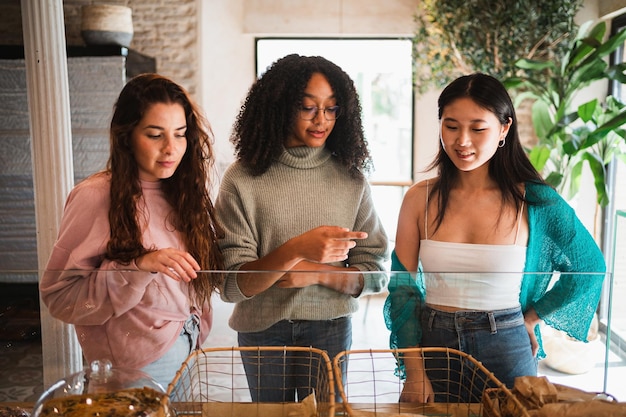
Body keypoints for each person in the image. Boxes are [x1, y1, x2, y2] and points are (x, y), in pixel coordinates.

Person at [384, 73, 606, 403]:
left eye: (477, 128)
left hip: (506, 343)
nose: (462, 140)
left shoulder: (534, 200)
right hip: (434, 345)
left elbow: (589, 266)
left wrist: (532, 317)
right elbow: (402, 291)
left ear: (504, 128)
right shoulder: (419, 198)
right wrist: (415, 373)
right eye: (451, 125)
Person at [215, 54, 389, 402]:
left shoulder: (352, 179)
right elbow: (230, 285)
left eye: (332, 109)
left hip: (330, 328)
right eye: (308, 107)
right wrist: (295, 251)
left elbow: (377, 274)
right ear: (279, 106)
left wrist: (317, 273)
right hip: (262, 330)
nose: (321, 120)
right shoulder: (242, 179)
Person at [40, 73, 225, 389]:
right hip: (134, 365)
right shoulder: (96, 196)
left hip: (189, 346)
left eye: (180, 134)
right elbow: (60, 297)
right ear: (126, 136)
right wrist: (139, 266)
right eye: (155, 135)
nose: (171, 148)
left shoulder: (182, 191)